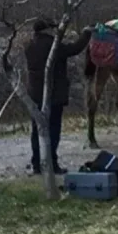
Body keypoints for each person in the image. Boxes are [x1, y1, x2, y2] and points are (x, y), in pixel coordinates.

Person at [25, 19, 93, 175]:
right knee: (53, 130)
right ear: (47, 29)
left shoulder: (29, 45)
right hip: (52, 95)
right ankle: (51, 164)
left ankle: (37, 163)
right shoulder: (52, 45)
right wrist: (86, 33)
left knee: (37, 130)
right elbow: (74, 49)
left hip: (34, 95)